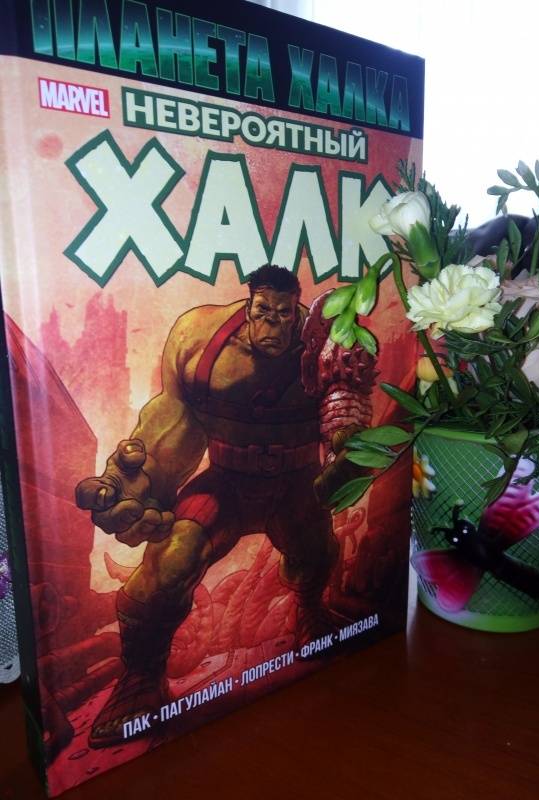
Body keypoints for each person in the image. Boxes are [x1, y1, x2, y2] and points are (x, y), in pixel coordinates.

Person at [76, 265, 375, 747]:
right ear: (250, 305)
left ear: (296, 310)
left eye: (283, 315)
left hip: (297, 483)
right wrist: (138, 486)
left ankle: (309, 612)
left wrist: (350, 453)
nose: (273, 325)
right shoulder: (200, 341)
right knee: (170, 561)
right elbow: (173, 422)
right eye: (263, 312)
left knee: (318, 553)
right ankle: (141, 677)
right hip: (227, 485)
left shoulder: (329, 343)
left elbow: (346, 420)